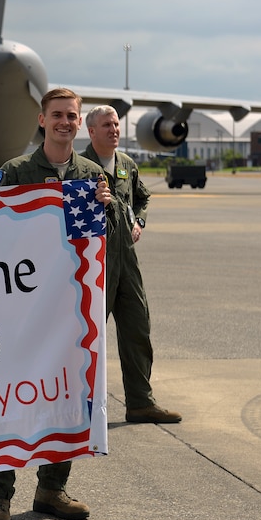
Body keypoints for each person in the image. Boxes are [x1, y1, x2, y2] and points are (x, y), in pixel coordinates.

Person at [0, 88, 112, 520]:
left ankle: (52, 487)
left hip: (68, 311)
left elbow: (112, 236)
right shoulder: (16, 171)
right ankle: (0, 495)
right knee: (7, 397)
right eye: (58, 115)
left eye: (72, 116)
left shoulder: (92, 174)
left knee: (66, 396)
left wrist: (108, 207)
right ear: (41, 119)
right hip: (18, 309)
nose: (65, 122)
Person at [81, 105, 182, 424]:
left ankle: (140, 402)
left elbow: (142, 197)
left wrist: (139, 221)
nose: (114, 129)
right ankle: (75, 405)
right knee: (85, 336)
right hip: (93, 262)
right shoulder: (79, 168)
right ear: (91, 130)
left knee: (138, 328)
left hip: (126, 259)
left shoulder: (126, 164)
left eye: (116, 124)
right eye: (106, 125)